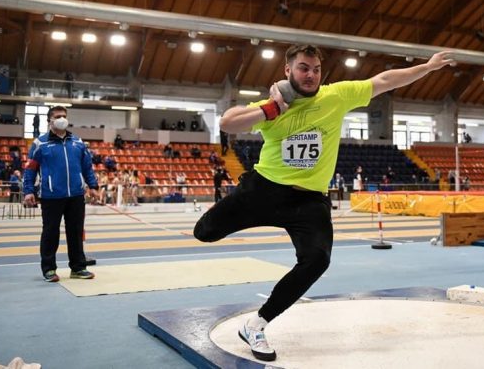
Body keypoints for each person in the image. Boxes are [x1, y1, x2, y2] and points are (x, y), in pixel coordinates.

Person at [193, 44, 455, 362]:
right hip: (264, 190)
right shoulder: (272, 107)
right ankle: (226, 215)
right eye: (304, 68)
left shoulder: (336, 96)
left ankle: (257, 324)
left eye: (316, 69)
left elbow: (385, 81)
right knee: (204, 232)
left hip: (309, 199)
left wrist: (426, 67)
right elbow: (228, 122)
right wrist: (273, 109)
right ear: (288, 71)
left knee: (317, 260)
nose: (311, 75)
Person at [23, 106, 99, 282]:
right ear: (49, 120)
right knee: (50, 233)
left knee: (76, 232)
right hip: (51, 196)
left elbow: (87, 167)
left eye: (64, 116)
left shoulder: (78, 142)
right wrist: (28, 191)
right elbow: (30, 170)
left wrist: (93, 186)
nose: (62, 119)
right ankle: (49, 269)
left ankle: (78, 268)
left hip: (76, 195)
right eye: (58, 116)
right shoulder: (40, 143)